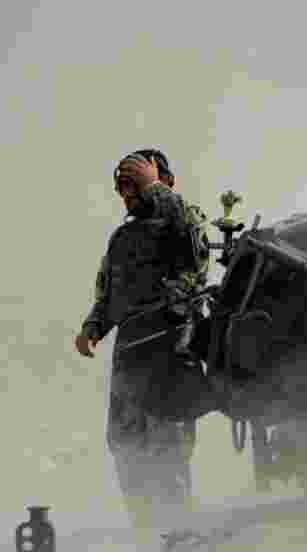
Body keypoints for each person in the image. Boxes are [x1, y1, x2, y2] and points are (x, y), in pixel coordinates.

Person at [74, 149, 215, 530]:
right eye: (123, 188)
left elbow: (195, 255)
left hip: (169, 345)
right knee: (126, 445)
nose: (129, 194)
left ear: (165, 181)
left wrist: (155, 188)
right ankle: (148, 536)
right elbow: (109, 292)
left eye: (135, 184)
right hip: (131, 354)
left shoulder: (182, 219)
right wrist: (94, 326)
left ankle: (177, 533)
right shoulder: (122, 237)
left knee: (167, 445)